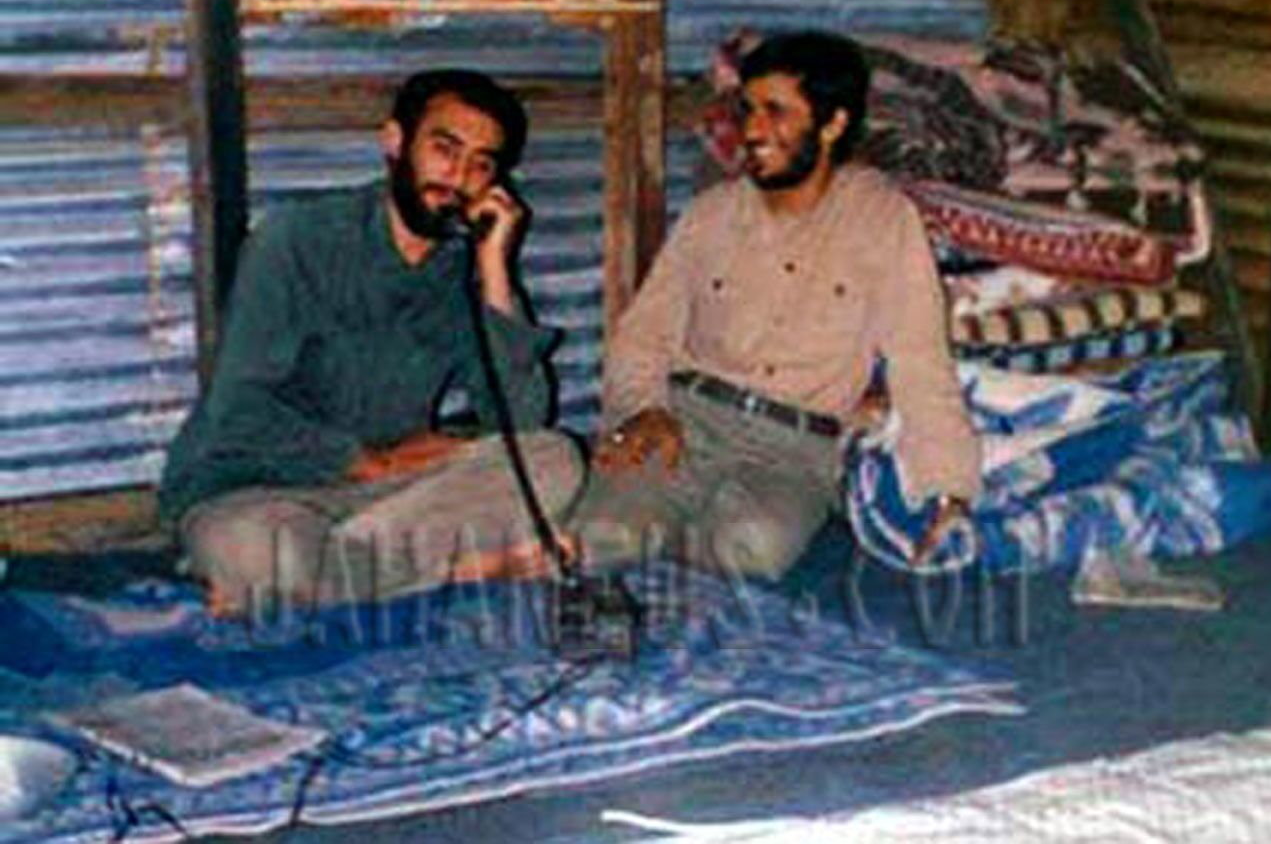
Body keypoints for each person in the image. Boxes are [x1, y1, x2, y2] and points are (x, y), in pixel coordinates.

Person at [160, 69, 584, 615]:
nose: (459, 177)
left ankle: (317, 584)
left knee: (555, 461)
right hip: (256, 489)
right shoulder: (297, 239)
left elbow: (521, 421)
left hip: (388, 500)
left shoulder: (459, 268)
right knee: (254, 548)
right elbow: (238, 410)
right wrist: (369, 462)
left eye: (481, 164)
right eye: (445, 150)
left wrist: (495, 267)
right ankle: (457, 570)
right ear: (395, 142)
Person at [570, 30, 981, 581]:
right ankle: (639, 532)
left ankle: (665, 542)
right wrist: (643, 410)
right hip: (685, 421)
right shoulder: (711, 214)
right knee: (600, 538)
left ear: (832, 124)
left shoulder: (883, 220)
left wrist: (948, 489)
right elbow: (642, 335)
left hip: (792, 452)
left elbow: (921, 361)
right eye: (748, 110)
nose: (752, 130)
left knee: (753, 550)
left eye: (775, 112)